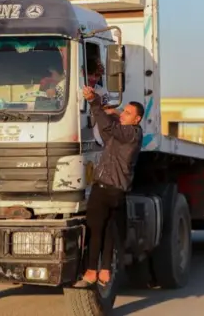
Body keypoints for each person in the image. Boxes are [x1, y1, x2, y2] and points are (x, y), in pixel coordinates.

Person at [77, 85, 143, 288]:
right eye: (124, 111)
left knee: (95, 229)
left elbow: (108, 128)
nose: (124, 115)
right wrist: (112, 112)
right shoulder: (127, 136)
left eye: (128, 113)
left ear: (137, 119)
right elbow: (109, 131)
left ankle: (90, 272)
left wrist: (94, 102)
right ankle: (105, 271)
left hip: (106, 188)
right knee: (107, 232)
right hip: (117, 191)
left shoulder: (131, 133)